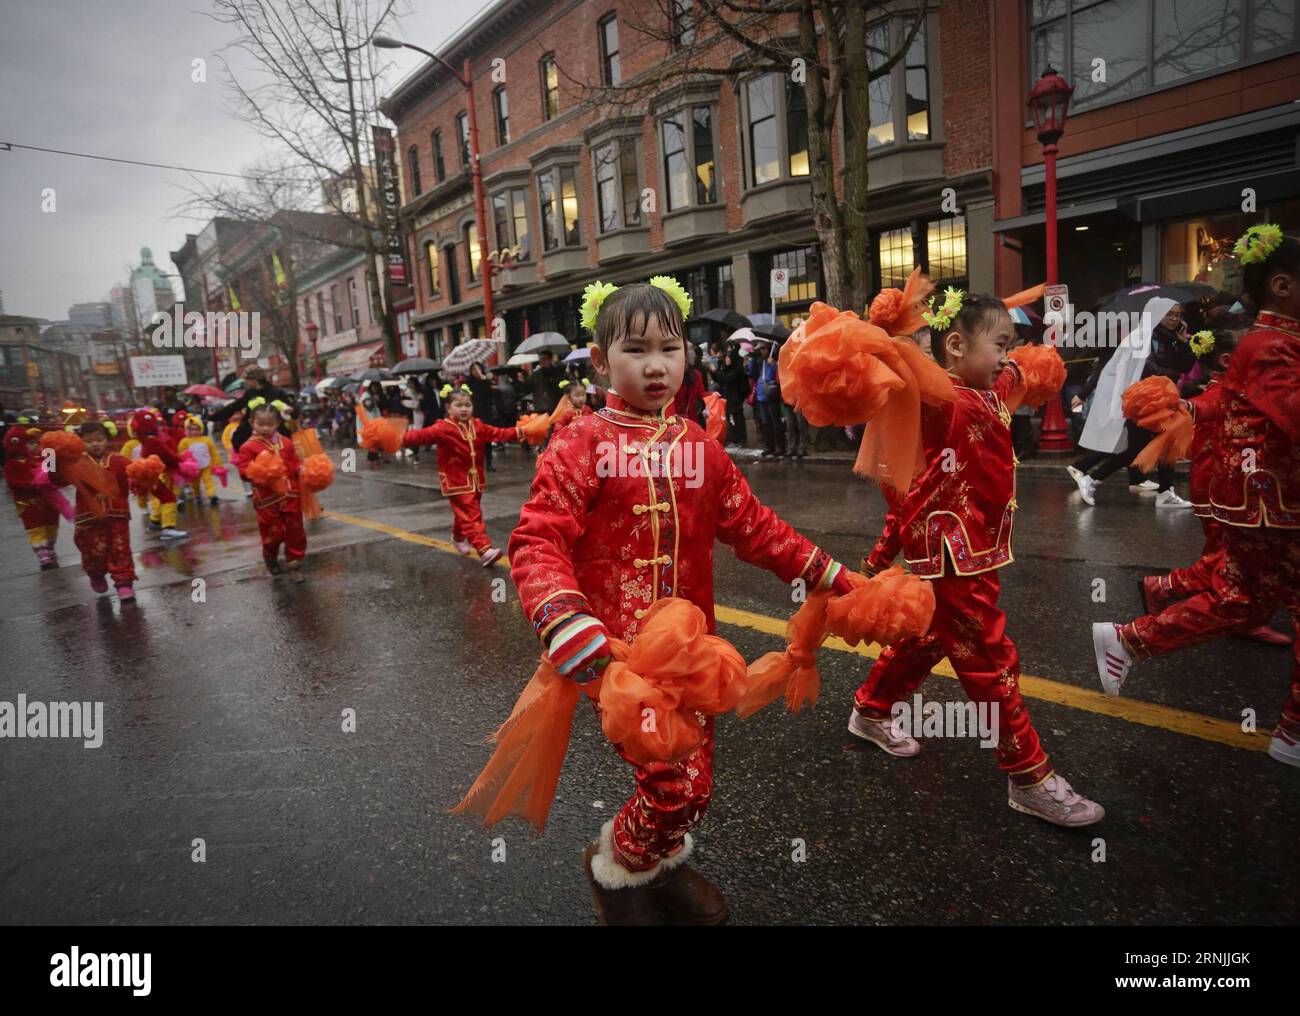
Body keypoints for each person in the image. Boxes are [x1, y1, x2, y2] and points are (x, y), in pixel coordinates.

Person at [509, 277, 855, 925]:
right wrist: (562, 616)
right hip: (617, 659)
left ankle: (659, 865)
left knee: (696, 782)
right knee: (675, 783)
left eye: (669, 347)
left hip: (697, 656)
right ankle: (615, 875)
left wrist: (831, 573)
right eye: (635, 349)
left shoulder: (700, 450)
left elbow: (755, 528)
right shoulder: (581, 443)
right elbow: (538, 538)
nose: (655, 364)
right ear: (600, 359)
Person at [853, 291, 1105, 827]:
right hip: (951, 554)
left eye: (1008, 347)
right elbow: (906, 486)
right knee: (989, 660)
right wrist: (880, 556)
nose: (1005, 357)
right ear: (955, 345)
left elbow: (1011, 377)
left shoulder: (987, 390)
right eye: (998, 345)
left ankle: (871, 711)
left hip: (972, 549)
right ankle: (1028, 776)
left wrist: (1026, 360)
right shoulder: (941, 402)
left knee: (927, 637)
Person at [1092, 227, 1300, 767]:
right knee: (1236, 594)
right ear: (1282, 285)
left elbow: (1221, 399)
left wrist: (1191, 407)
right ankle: (1136, 632)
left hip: (1258, 493)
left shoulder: (1269, 342)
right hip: (1264, 497)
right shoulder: (1271, 344)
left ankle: (1291, 731)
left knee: (1237, 590)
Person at [1069, 300, 1192, 508]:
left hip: (1161, 399)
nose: (1174, 319)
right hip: (1145, 401)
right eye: (1169, 314)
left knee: (1164, 444)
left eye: (1178, 315)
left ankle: (1165, 492)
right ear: (1157, 314)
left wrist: (1182, 343)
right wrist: (1175, 374)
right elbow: (1147, 367)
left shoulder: (1171, 339)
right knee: (1135, 449)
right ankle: (1091, 478)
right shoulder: (1144, 337)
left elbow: (1185, 366)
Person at [396, 384, 523, 566]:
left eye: (467, 405)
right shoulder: (443, 428)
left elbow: (499, 433)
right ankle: (484, 549)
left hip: (476, 480)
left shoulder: (477, 425)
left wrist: (522, 431)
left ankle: (457, 537)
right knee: (472, 514)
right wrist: (396, 438)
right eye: (459, 405)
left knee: (464, 513)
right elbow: (420, 436)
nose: (464, 409)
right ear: (448, 408)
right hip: (456, 481)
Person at [234, 399, 306, 582]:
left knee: (295, 531)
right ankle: (270, 556)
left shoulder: (287, 443)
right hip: (266, 499)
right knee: (273, 533)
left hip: (291, 495)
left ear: (278, 424)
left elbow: (294, 465)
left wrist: (305, 470)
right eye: (260, 424)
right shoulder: (247, 447)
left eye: (270, 424)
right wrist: (261, 473)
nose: (265, 428)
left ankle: (294, 564)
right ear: (252, 423)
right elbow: (244, 473)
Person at [65, 421, 136, 601]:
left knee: (121, 549)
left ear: (107, 440)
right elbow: (54, 478)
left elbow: (135, 472)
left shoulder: (118, 460)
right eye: (89, 441)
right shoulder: (74, 463)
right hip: (88, 517)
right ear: (80, 442)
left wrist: (145, 475)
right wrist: (50, 455)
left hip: (117, 515)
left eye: (100, 439)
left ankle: (124, 583)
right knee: (92, 550)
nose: (95, 444)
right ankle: (95, 573)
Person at [3, 424, 62, 569]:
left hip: (48, 501)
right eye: (30, 443)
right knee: (35, 529)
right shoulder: (12, 464)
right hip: (28, 503)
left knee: (51, 527)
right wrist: (32, 485)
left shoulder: (40, 459)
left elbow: (53, 473)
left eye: (36, 443)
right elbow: (13, 483)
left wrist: (52, 457)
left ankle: (49, 549)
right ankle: (43, 557)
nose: (35, 446)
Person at [131, 409, 187, 540]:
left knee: (160, 498)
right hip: (156, 475)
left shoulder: (145, 440)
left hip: (150, 476)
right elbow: (167, 455)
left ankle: (155, 522)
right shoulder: (153, 441)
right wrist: (180, 460)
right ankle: (168, 528)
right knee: (169, 498)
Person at [208, 366, 291, 453]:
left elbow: (292, 410)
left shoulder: (276, 392)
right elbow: (234, 407)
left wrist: (288, 410)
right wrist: (213, 417)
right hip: (251, 434)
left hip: (273, 434)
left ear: (254, 380)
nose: (246, 382)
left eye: (246, 379)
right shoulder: (250, 393)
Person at [748, 341, 786, 457]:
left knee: (775, 422)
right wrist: (753, 358)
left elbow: (781, 375)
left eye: (764, 348)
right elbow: (752, 373)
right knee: (766, 423)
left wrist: (774, 364)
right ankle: (769, 446)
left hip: (772, 394)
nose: (762, 351)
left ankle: (780, 447)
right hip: (761, 395)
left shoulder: (774, 361)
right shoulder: (759, 362)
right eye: (761, 349)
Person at [178, 416, 224, 506]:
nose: (194, 432)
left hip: (206, 465)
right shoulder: (184, 442)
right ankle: (197, 495)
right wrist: (184, 466)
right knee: (195, 483)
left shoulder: (206, 440)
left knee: (208, 481)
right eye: (191, 430)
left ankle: (212, 495)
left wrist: (218, 463)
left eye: (196, 429)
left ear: (201, 429)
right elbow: (181, 455)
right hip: (193, 468)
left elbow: (214, 452)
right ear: (187, 430)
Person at [466, 362, 500, 472]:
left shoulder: (485, 381)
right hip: (473, 414)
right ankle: (475, 464)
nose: (476, 371)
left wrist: (483, 379)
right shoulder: (468, 383)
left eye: (478, 369)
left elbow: (491, 393)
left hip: (486, 414)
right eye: (474, 370)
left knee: (487, 440)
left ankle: (488, 464)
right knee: (474, 441)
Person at [719, 348, 749, 446]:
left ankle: (741, 439)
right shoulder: (725, 369)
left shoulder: (737, 370)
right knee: (730, 420)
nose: (727, 359)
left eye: (729, 357)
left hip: (736, 399)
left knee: (738, 419)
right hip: (728, 398)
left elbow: (730, 380)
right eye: (726, 357)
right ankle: (734, 438)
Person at [530, 350, 566, 415]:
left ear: (550, 360)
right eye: (540, 360)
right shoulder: (535, 375)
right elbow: (530, 388)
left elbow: (561, 388)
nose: (542, 362)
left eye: (544, 359)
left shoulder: (558, 373)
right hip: (540, 408)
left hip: (555, 407)